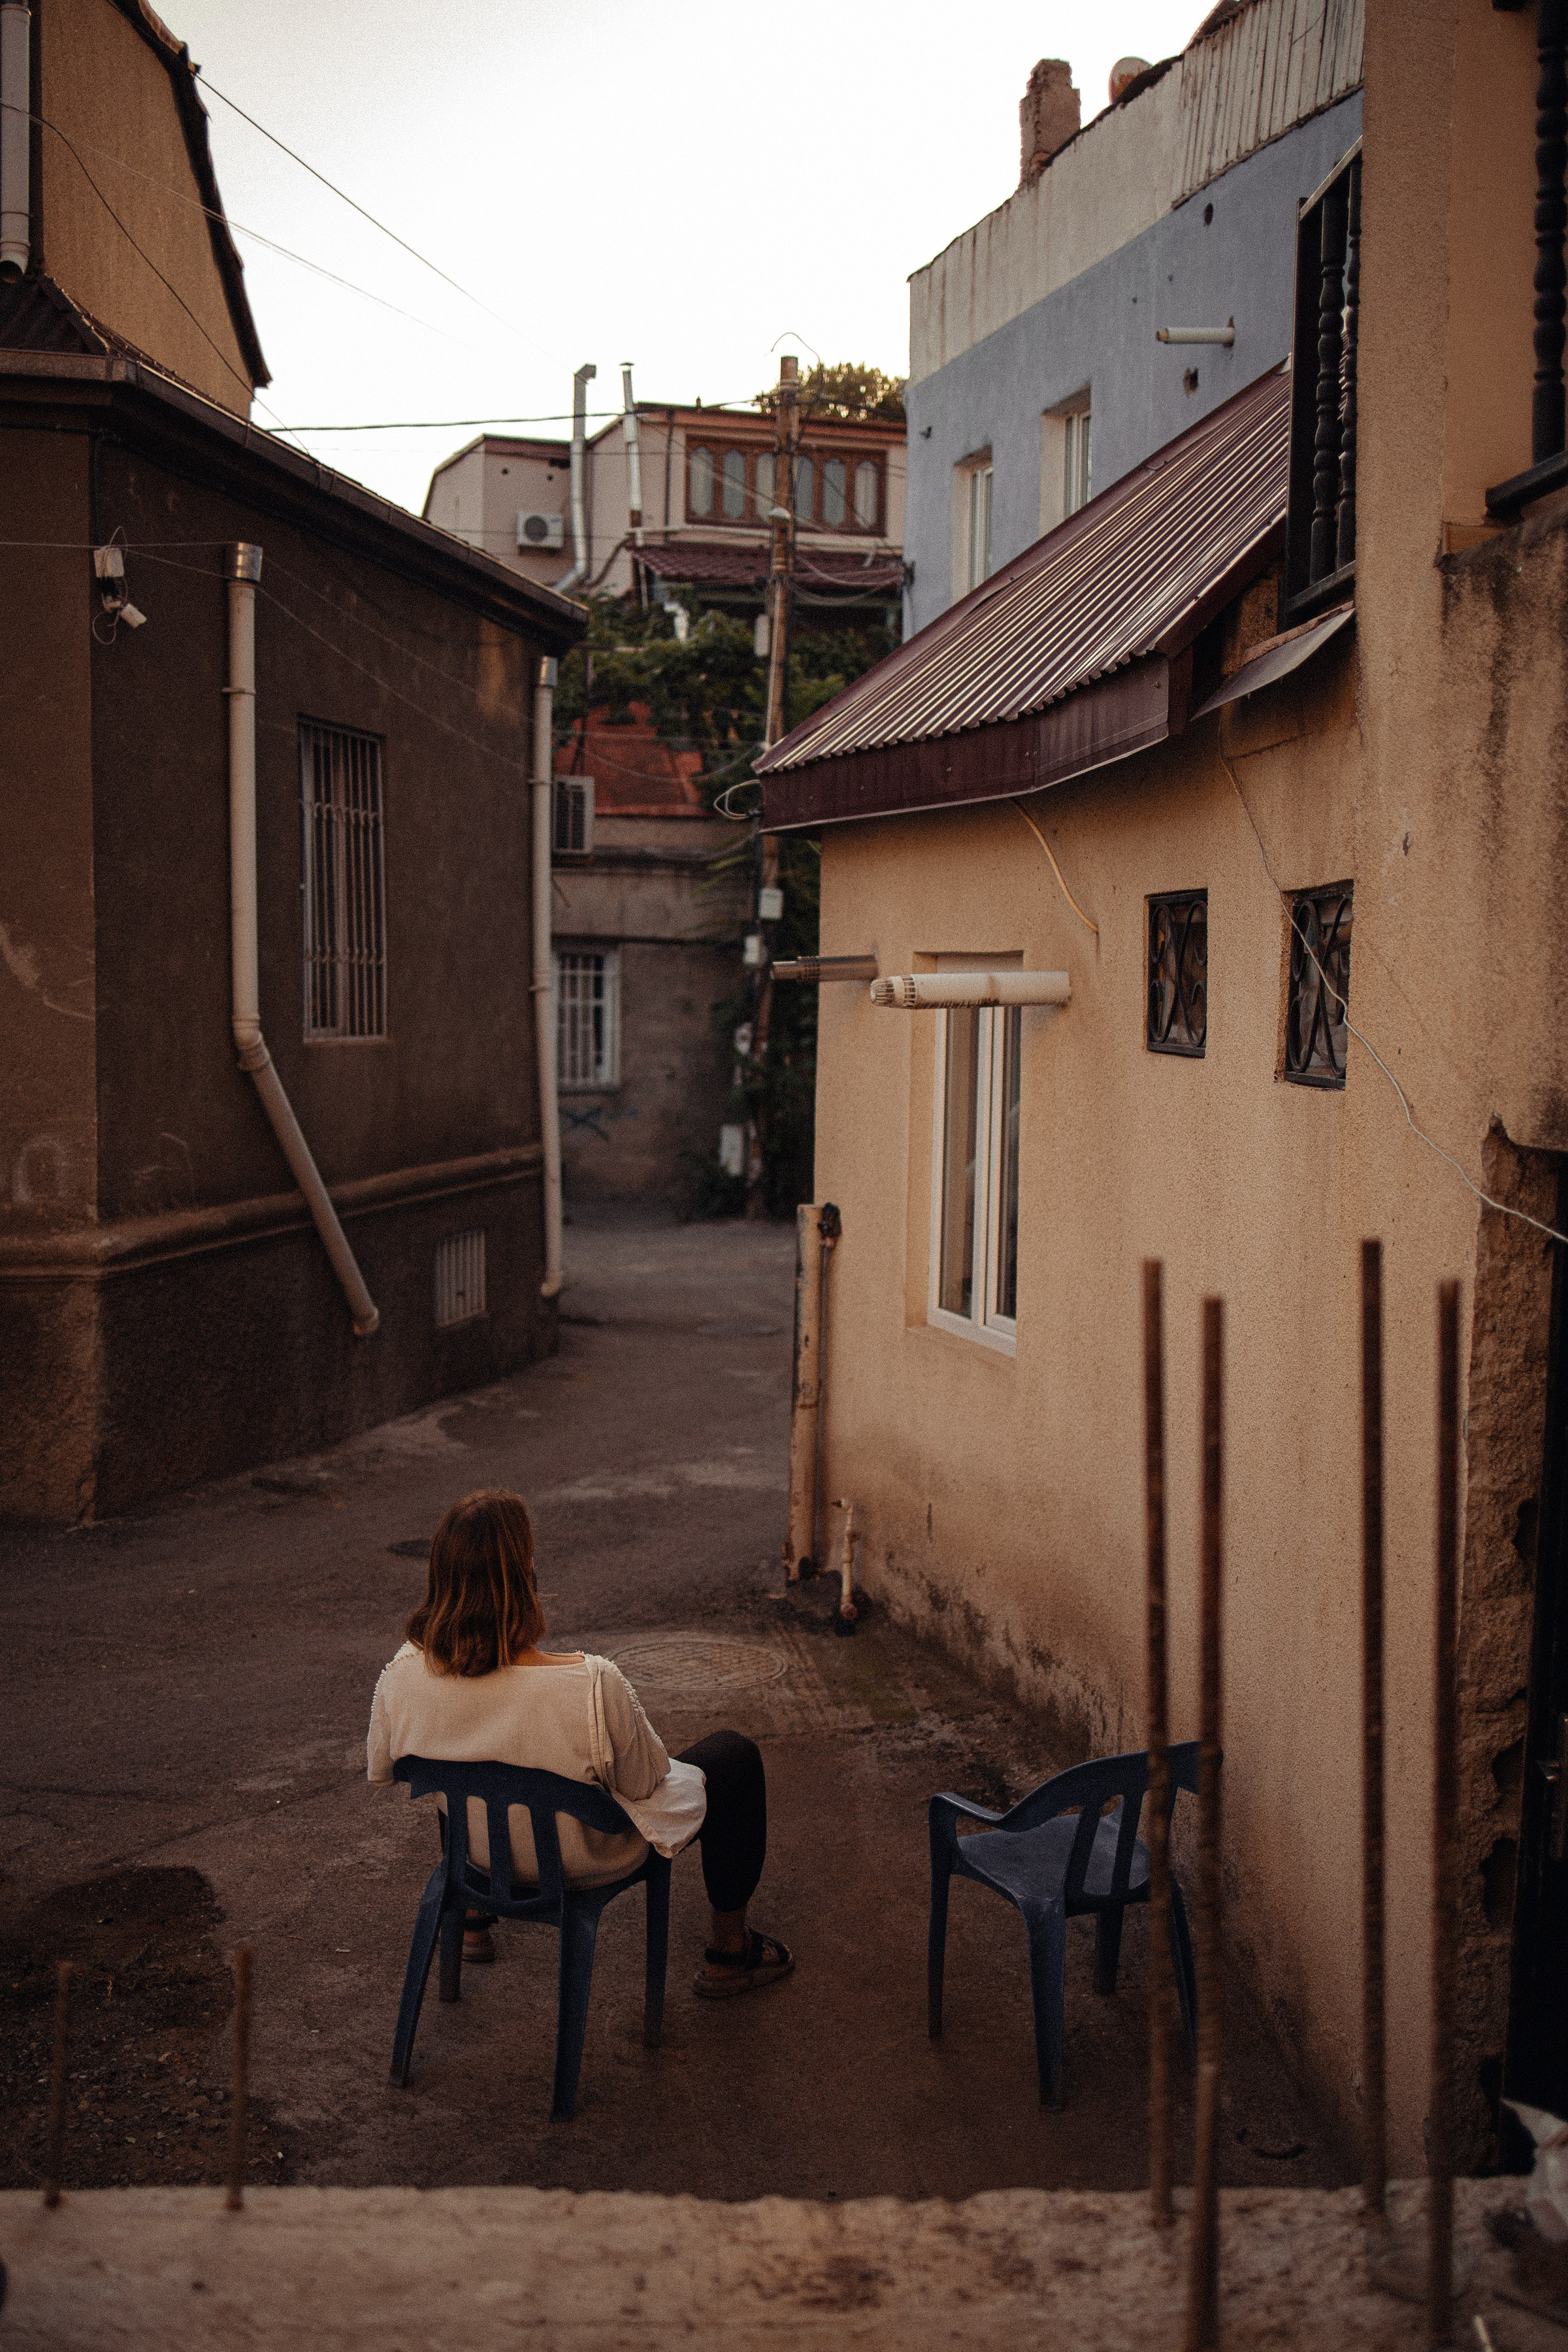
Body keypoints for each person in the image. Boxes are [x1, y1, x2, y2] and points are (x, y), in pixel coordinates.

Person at [367, 1487, 792, 1997]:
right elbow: (643, 1782)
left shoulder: (402, 1677)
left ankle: (475, 1912)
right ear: (525, 1579)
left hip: (479, 1855)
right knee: (733, 1758)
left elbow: (386, 1765)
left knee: (461, 1759)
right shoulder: (592, 1683)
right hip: (585, 1860)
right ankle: (729, 1952)